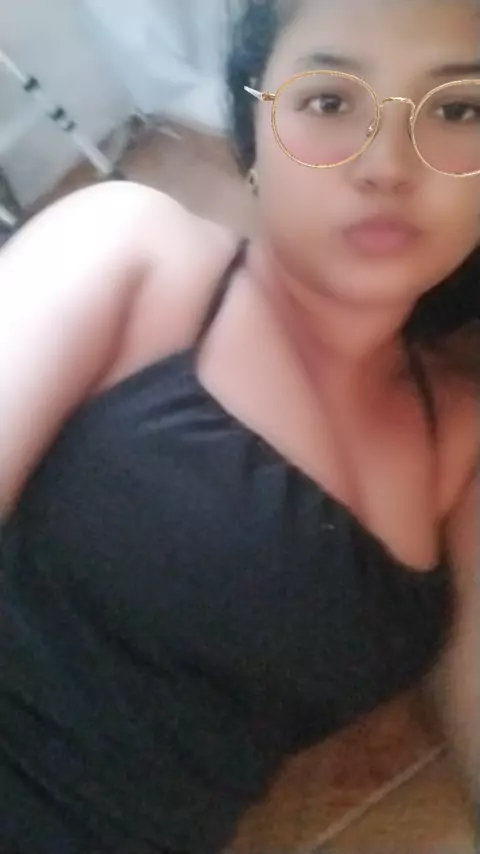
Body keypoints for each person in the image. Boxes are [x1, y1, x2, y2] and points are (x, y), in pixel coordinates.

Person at [1, 0, 478, 851]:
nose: (386, 164)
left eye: (459, 110)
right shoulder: (130, 249)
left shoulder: (461, 441)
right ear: (255, 123)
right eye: (329, 100)